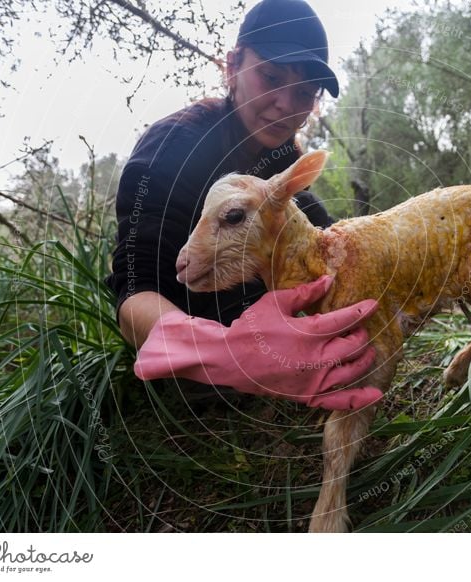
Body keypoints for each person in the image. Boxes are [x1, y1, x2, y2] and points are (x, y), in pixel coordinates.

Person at [105, 0, 383, 410]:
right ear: (233, 66)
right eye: (271, 77)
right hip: (193, 361)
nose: (287, 106)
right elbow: (133, 294)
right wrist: (227, 352)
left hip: (278, 339)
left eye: (305, 92)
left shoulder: (284, 163)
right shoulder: (176, 147)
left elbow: (323, 241)